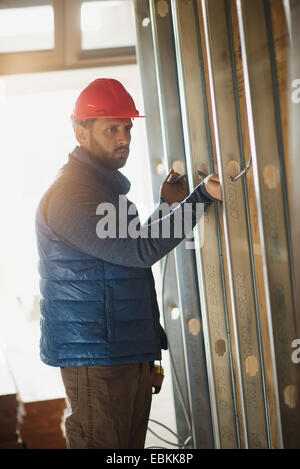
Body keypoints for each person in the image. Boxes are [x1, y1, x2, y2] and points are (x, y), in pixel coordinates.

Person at [35, 78, 222, 449]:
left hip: (122, 349)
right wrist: (200, 198)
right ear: (80, 133)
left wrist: (169, 208)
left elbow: (125, 250)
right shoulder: (71, 195)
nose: (124, 138)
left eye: (128, 127)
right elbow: (138, 251)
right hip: (97, 355)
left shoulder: (102, 190)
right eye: (111, 129)